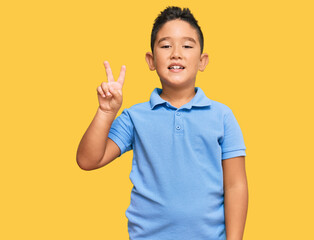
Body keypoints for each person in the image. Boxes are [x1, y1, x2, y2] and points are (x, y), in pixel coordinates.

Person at [76, 6, 248, 240]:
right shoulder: (134, 117)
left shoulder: (222, 116)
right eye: (166, 46)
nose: (176, 53)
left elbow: (235, 186)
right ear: (151, 60)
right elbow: (88, 160)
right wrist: (106, 112)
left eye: (187, 46)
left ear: (202, 61)